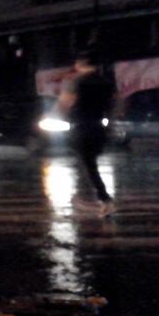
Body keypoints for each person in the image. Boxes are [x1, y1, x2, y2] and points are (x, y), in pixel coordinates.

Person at [57, 50, 116, 216]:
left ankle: (103, 199)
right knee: (88, 163)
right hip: (98, 126)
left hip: (81, 127)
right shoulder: (106, 81)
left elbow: (64, 104)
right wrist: (110, 124)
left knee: (88, 164)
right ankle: (91, 196)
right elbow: (116, 105)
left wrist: (62, 113)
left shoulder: (77, 81)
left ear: (81, 63)